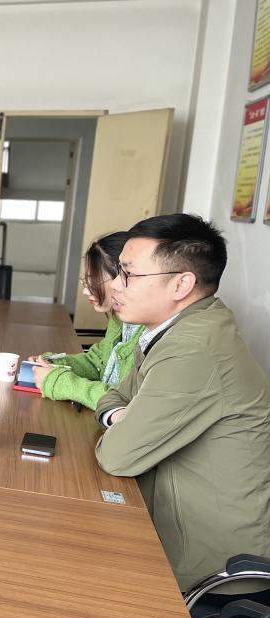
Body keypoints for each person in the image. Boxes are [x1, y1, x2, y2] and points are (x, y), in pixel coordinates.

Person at [94, 213, 270, 591]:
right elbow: (115, 395)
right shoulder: (179, 328)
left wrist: (123, 422)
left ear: (181, 284)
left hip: (211, 566)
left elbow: (117, 455)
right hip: (173, 516)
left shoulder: (193, 347)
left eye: (128, 274)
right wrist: (122, 416)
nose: (116, 285)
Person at [28, 232, 144, 411]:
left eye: (93, 281)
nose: (86, 291)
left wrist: (58, 381)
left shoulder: (150, 333)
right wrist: (56, 364)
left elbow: (126, 403)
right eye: (85, 281)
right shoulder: (119, 319)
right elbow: (98, 361)